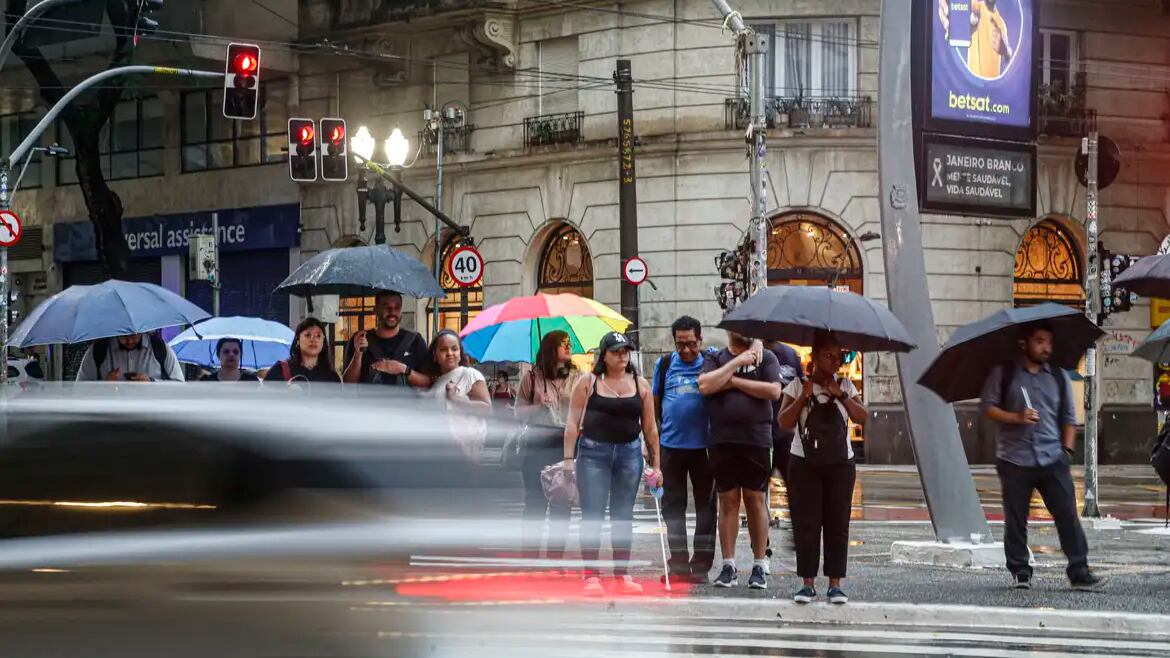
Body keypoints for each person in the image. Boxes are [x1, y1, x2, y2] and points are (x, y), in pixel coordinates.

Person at [980, 322, 1106, 592]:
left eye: (1048, 342)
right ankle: (1020, 571)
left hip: (1052, 457)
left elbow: (1069, 419)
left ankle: (1079, 570)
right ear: (1025, 344)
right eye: (1040, 341)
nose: (1046, 347)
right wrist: (1016, 417)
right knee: (1016, 519)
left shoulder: (1058, 376)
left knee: (1067, 514)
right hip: (1015, 458)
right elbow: (988, 407)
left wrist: (1067, 452)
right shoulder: (1005, 373)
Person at [564, 331, 661, 596]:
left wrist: (656, 465)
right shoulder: (588, 382)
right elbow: (572, 424)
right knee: (592, 514)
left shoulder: (641, 384)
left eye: (625, 351)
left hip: (630, 454)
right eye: (616, 351)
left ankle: (622, 574)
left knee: (623, 516)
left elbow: (650, 428)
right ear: (603, 356)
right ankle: (591, 575)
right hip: (593, 454)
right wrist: (568, 460)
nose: (622, 356)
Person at [778, 333, 866, 605]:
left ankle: (835, 583)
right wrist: (803, 397)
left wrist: (841, 395)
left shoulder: (845, 385)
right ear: (814, 357)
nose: (834, 361)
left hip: (841, 463)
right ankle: (807, 583)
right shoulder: (797, 385)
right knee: (807, 523)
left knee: (837, 523)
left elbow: (863, 417)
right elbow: (783, 422)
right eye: (828, 355)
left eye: (838, 356)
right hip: (803, 462)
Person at [698, 331, 781, 590]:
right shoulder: (715, 357)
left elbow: (773, 391)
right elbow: (705, 385)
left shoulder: (766, 358)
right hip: (722, 439)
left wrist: (732, 381)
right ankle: (729, 565)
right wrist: (737, 362)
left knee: (756, 499)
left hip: (756, 439)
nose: (744, 330)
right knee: (728, 500)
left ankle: (758, 564)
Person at [652, 316, 716, 584]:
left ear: (700, 341)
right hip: (671, 447)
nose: (686, 350)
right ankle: (678, 563)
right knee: (672, 508)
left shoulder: (712, 362)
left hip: (705, 449)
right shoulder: (664, 364)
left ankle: (700, 566)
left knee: (706, 509)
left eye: (691, 344)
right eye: (680, 345)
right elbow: (654, 405)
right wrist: (652, 444)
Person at [515, 330, 580, 564]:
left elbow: (585, 410)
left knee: (562, 504)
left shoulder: (578, 376)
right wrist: (536, 406)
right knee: (535, 503)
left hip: (565, 444)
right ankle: (530, 557)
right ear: (551, 348)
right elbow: (517, 414)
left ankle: (555, 559)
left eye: (569, 343)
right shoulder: (531, 378)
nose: (568, 347)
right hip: (537, 443)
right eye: (564, 344)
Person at [342, 291, 430, 387]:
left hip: (406, 401)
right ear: (375, 310)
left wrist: (404, 369)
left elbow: (427, 382)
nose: (392, 312)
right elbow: (348, 384)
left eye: (397, 307)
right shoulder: (360, 339)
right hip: (369, 401)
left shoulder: (415, 340)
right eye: (386, 307)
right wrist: (357, 355)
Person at [76, 332, 185, 382]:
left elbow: (180, 386)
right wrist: (104, 385)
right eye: (123, 335)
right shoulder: (98, 350)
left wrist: (151, 383)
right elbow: (79, 389)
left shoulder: (160, 348)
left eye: (134, 334)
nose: (129, 340)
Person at [264, 317, 342, 384]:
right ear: (298, 340)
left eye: (318, 336)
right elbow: (264, 398)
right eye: (308, 335)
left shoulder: (331, 376)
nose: (313, 340)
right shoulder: (279, 370)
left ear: (323, 342)